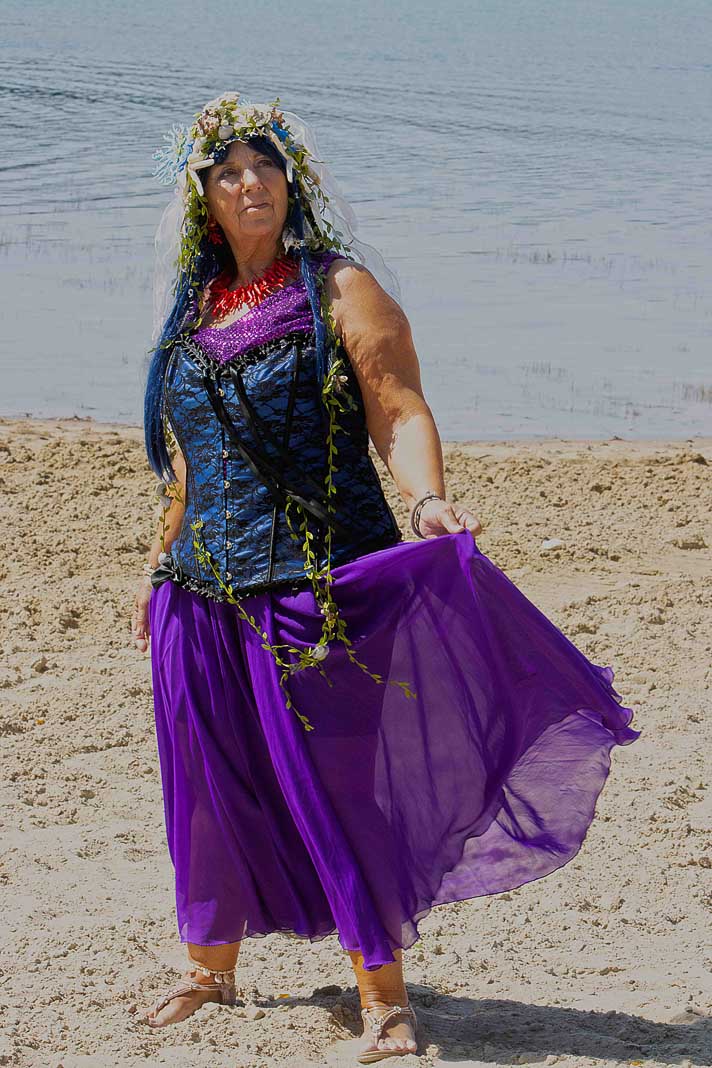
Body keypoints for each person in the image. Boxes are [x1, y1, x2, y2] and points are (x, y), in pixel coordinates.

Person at [131, 92, 641, 1062]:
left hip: (319, 584)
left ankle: (384, 995)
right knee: (207, 785)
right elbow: (191, 458)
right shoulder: (194, 306)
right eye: (228, 171)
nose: (250, 183)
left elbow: (398, 409)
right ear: (202, 196)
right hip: (198, 594)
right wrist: (159, 560)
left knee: (341, 789)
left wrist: (428, 500)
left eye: (265, 165)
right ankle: (209, 966)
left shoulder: (337, 287)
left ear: (293, 182)